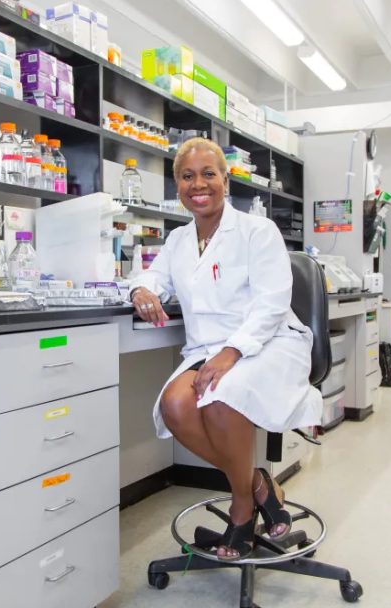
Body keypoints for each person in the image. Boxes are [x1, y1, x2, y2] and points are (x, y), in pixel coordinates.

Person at [129, 137, 323, 560]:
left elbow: (272, 302)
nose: (198, 184)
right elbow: (151, 276)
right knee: (175, 407)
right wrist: (141, 289)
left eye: (208, 174)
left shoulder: (257, 230)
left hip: (269, 342)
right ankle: (259, 486)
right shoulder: (179, 239)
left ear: (225, 180)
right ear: (177, 184)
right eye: (186, 176)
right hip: (209, 348)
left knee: (219, 395)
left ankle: (240, 512)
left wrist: (232, 353)